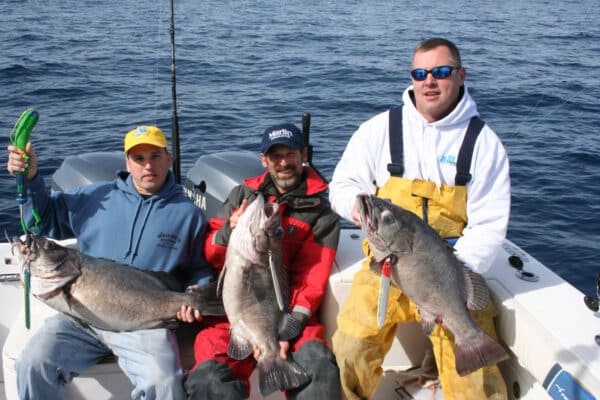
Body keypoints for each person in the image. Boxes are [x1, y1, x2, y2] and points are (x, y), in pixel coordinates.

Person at [328, 37, 510, 400]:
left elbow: (488, 225)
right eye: (420, 73)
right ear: (411, 78)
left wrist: (450, 281)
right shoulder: (379, 129)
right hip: (385, 270)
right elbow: (342, 186)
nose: (429, 81)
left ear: (461, 75)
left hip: (449, 277)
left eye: (441, 72)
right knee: (350, 348)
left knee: (476, 386)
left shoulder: (484, 143)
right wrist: (360, 212)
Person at [6, 125, 214, 400]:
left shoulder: (189, 214)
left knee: (163, 382)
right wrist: (31, 178)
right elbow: (43, 219)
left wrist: (196, 292)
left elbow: (199, 268)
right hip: (80, 320)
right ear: (127, 162)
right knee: (31, 363)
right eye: (139, 159)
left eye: (155, 156)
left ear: (168, 159)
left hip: (144, 324)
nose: (148, 165)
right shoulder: (95, 197)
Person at [182, 123, 341, 399]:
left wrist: (286, 332)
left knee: (319, 366)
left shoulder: (322, 215)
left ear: (304, 154)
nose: (283, 163)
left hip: (288, 314)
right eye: (275, 156)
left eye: (290, 154)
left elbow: (310, 281)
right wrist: (230, 229)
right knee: (208, 378)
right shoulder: (242, 196)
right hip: (232, 316)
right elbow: (210, 253)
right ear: (263, 160)